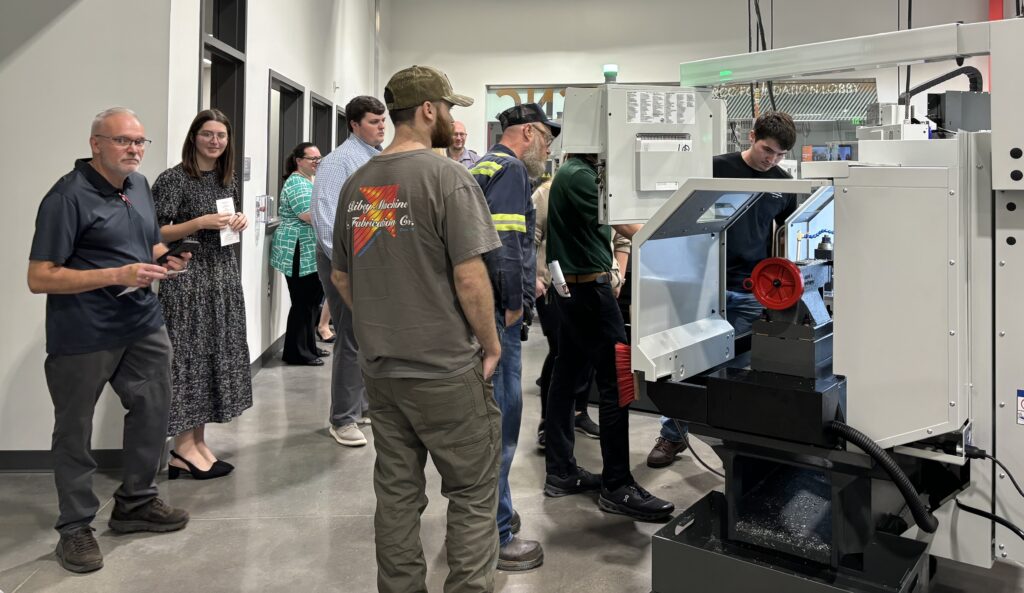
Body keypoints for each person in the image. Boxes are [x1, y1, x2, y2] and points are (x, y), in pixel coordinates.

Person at [331, 65, 503, 593]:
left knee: (397, 494)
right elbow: (470, 276)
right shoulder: (447, 177)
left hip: (383, 369)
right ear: (428, 110)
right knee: (473, 493)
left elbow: (341, 273)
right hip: (444, 367)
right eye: (449, 108)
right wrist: (491, 344)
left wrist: (384, 323)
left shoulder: (358, 184)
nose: (452, 120)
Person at [27, 107, 191, 573]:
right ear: (96, 143)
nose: (134, 150)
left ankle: (136, 502)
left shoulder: (137, 186)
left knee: (154, 410)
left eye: (140, 142)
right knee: (74, 430)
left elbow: (146, 242)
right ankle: (75, 527)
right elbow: (40, 277)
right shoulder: (66, 197)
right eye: (123, 141)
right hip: (84, 333)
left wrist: (166, 257)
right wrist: (115, 274)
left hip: (142, 323)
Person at [647, 111, 798, 468]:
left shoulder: (782, 182)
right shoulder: (713, 169)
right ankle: (673, 436)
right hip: (702, 287)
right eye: (767, 150)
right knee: (688, 364)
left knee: (738, 371)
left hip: (749, 290)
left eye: (779, 155)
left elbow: (785, 233)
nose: (771, 160)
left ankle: (734, 440)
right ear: (750, 137)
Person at [543, 153, 675, 522]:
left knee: (565, 376)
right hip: (589, 296)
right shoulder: (581, 177)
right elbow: (630, 227)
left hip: (575, 290)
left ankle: (561, 471)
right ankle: (617, 486)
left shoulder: (575, 173)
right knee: (618, 384)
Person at [468, 102, 557, 571]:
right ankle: (497, 534)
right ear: (527, 132)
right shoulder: (512, 172)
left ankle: (496, 514)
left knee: (491, 422)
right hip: (500, 316)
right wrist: (514, 304)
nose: (547, 148)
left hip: (479, 310)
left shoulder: (481, 165)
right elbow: (504, 244)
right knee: (502, 427)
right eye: (546, 138)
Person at [154, 108, 253, 479]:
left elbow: (228, 222)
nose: (215, 141)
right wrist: (198, 223)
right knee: (187, 362)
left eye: (222, 136)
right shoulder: (173, 179)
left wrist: (239, 221)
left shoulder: (225, 180)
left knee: (212, 359)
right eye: (208, 134)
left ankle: (197, 442)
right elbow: (156, 231)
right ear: (194, 137)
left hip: (222, 279)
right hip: (187, 283)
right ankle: (181, 448)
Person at [310, 95, 386, 447]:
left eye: (383, 120)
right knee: (351, 336)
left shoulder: (377, 157)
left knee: (369, 334)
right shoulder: (337, 161)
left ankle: (363, 405)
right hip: (342, 262)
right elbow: (324, 219)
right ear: (354, 125)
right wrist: (344, 266)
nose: (381, 126)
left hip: (370, 259)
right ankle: (342, 418)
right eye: (373, 121)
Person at [533, 179, 599, 450]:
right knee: (560, 350)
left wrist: (616, 275)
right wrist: (535, 276)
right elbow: (531, 233)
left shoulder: (605, 188)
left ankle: (578, 413)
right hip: (551, 284)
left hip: (590, 282)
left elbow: (618, 237)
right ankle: (548, 422)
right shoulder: (548, 192)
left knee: (587, 350)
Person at [271, 142, 330, 365]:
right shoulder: (297, 184)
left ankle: (309, 347)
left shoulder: (307, 181)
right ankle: (298, 353)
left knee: (312, 301)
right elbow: (308, 215)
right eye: (312, 159)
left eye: (319, 158)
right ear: (299, 161)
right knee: (303, 302)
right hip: (297, 250)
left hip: (307, 251)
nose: (317, 163)